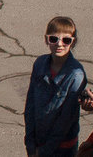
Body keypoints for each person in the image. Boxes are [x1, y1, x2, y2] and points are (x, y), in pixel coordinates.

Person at [26, 17, 88, 157]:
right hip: (37, 141)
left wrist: (43, 152)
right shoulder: (40, 63)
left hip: (62, 147)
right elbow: (30, 104)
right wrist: (30, 142)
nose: (59, 44)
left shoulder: (76, 75)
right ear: (46, 39)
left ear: (73, 42)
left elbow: (66, 119)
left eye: (66, 40)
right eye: (53, 39)